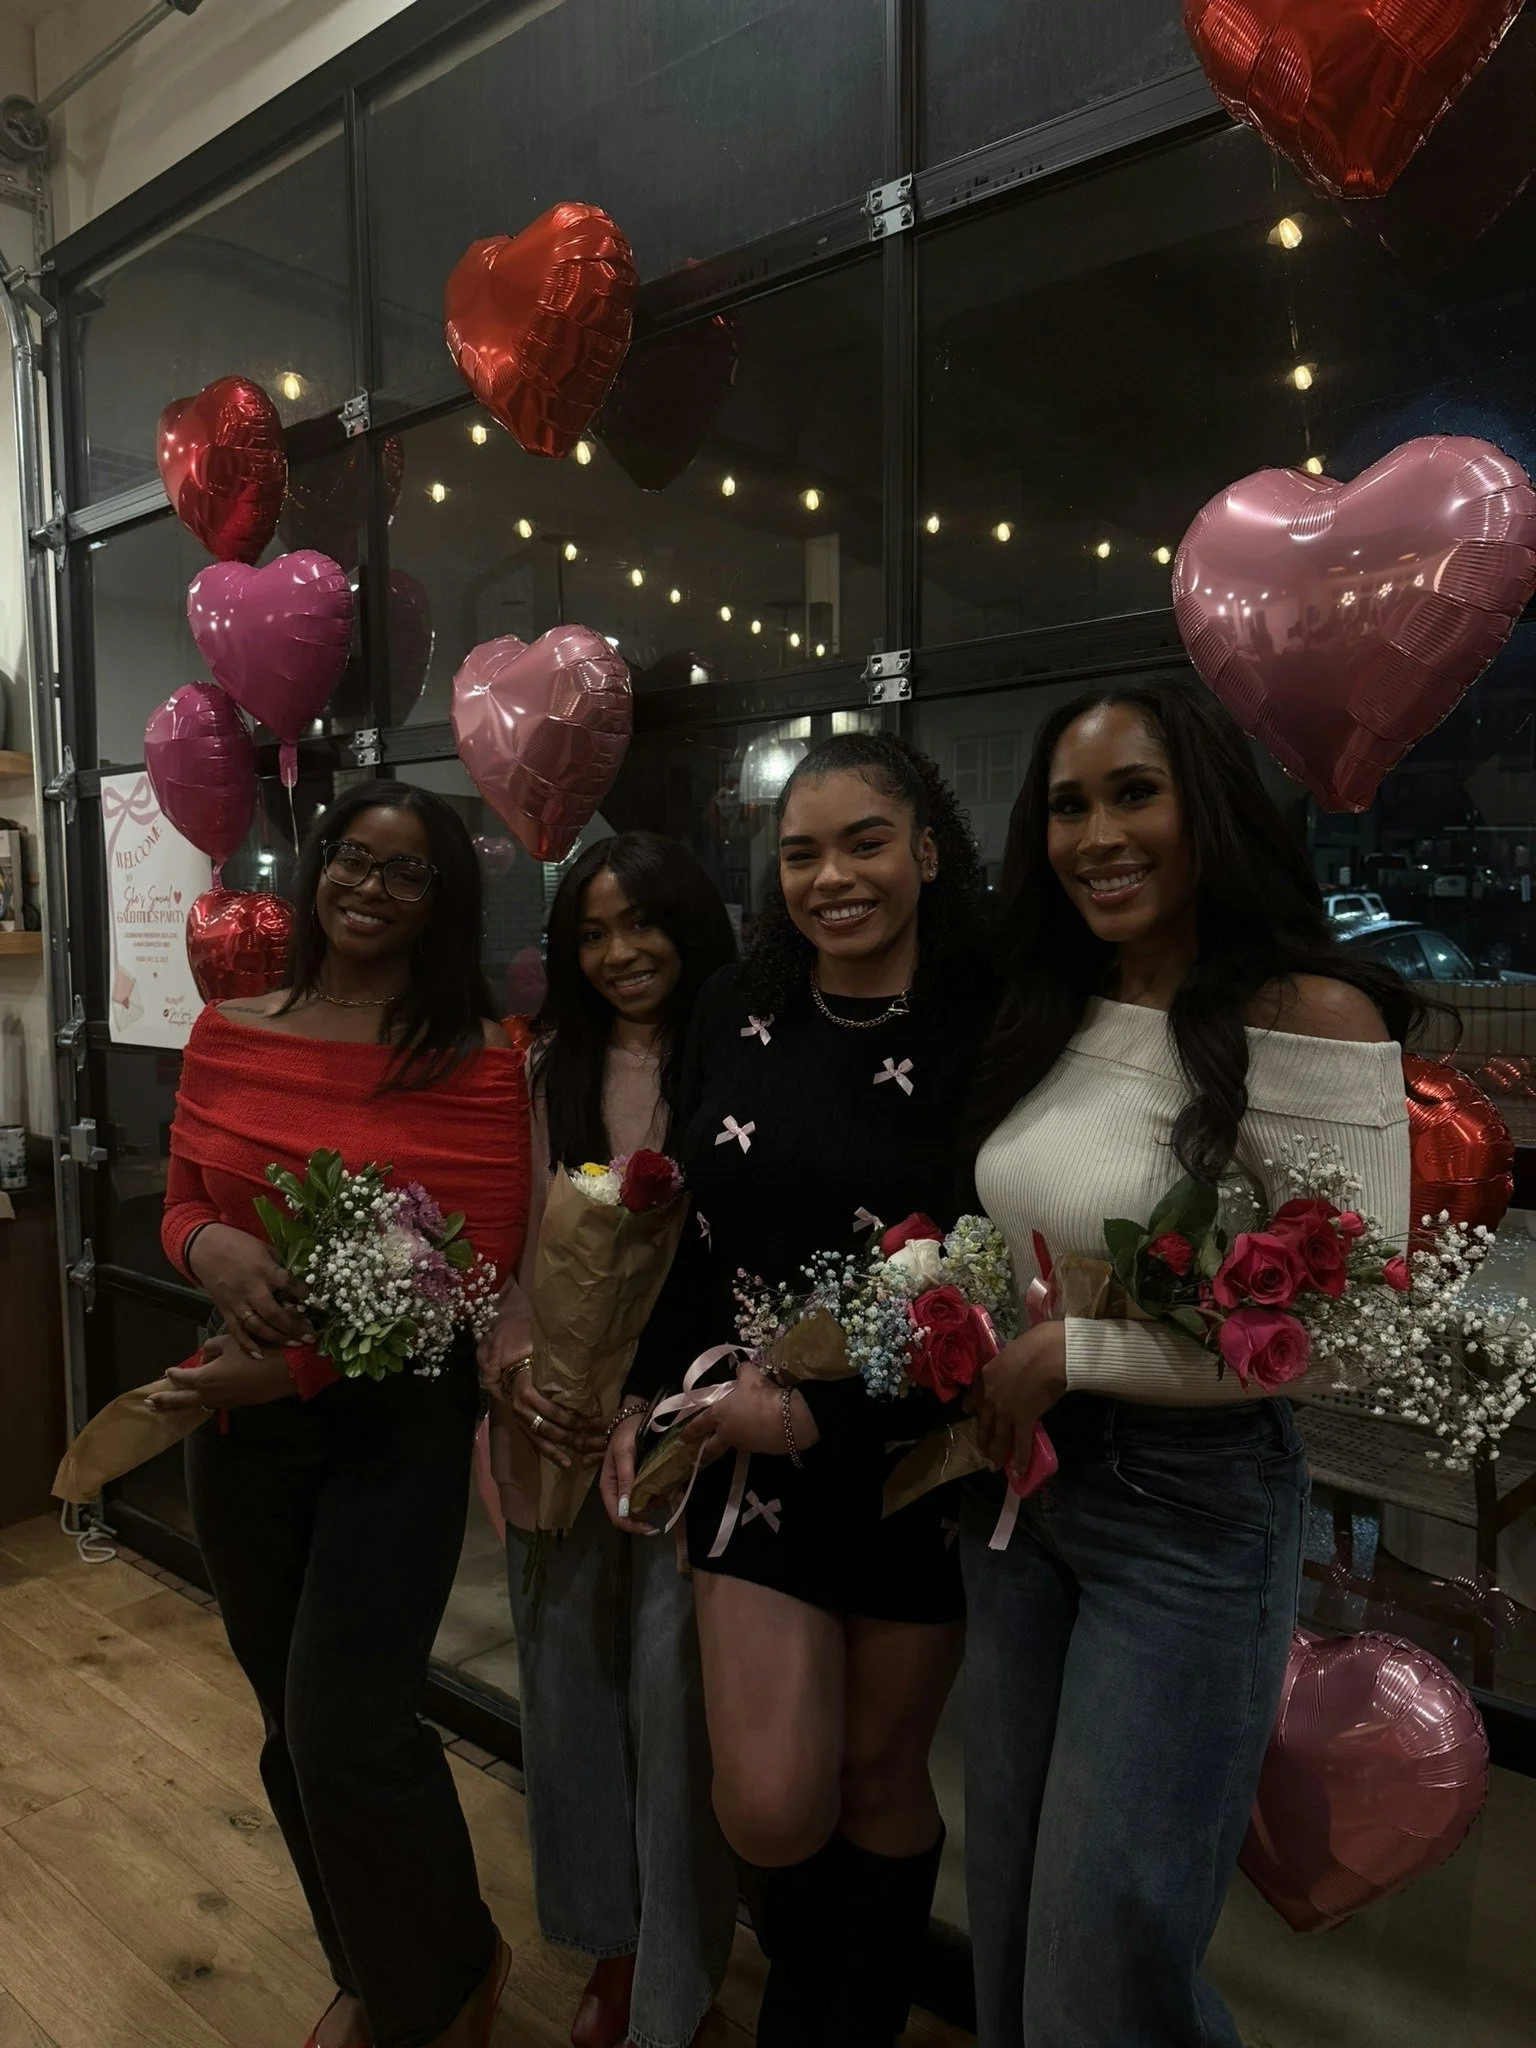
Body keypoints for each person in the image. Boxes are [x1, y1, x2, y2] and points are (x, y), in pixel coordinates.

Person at [963, 682, 1420, 2048]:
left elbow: (1350, 1328)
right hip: (1019, 1505)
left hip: (1190, 1518)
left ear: (1206, 806)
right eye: (1068, 804)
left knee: (1107, 1965)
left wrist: (1079, 1350)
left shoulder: (1311, 1016)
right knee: (1012, 1926)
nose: (1099, 833)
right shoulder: (1060, 1006)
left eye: (1133, 792)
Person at [601, 733, 990, 2048]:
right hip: (748, 1444)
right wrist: (646, 1393)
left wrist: (831, 1407)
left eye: (866, 841)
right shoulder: (736, 1010)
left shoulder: (997, 1023)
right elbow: (688, 1230)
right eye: (802, 852)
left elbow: (1004, 1268)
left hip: (913, 1456)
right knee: (768, 1801)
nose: (834, 876)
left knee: (883, 1778)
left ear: (928, 852)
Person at [152, 780, 529, 2048]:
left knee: (347, 1724)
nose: (368, 885)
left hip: (394, 1431)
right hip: (242, 1434)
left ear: (443, 900)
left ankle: (448, 1978)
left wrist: (293, 1370)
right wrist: (207, 1249)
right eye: (350, 858)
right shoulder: (231, 1027)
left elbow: (470, 1277)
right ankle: (375, 1969)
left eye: (405, 870)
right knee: (288, 1727)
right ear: (317, 870)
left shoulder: (481, 1057)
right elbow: (181, 1199)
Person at [478, 831, 739, 2048]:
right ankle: (613, 1945)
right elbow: (524, 1259)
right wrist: (521, 1376)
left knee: (675, 1707)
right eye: (592, 930)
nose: (621, 951)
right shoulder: (549, 1071)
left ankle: (679, 1979)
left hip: (696, 1432)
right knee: (569, 1696)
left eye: (642, 922)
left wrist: (668, 1395)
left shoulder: (741, 1062)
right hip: (561, 1424)